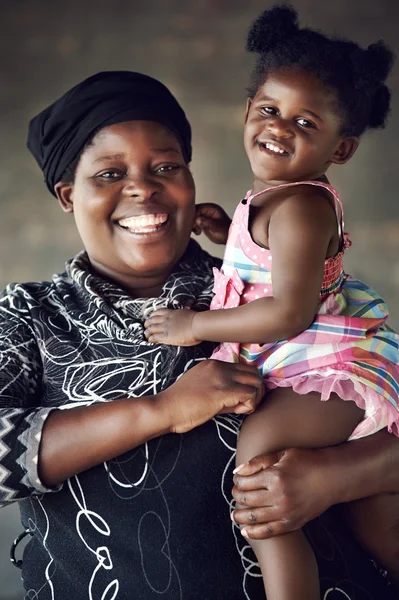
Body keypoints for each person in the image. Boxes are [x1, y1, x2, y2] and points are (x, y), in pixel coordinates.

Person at [0, 70, 397, 600]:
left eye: (166, 166)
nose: (141, 187)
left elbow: (378, 391)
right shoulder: (30, 316)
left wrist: (336, 476)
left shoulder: (266, 295)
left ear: (189, 179)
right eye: (108, 174)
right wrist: (159, 410)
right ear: (69, 195)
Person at [143, 6, 399, 600]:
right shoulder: (273, 200)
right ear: (248, 108)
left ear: (342, 149)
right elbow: (270, 266)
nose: (280, 127)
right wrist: (223, 232)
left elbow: (289, 311)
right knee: (377, 522)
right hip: (305, 361)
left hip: (330, 368)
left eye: (306, 123)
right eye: (269, 109)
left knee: (260, 479)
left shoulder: (304, 207)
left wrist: (194, 324)